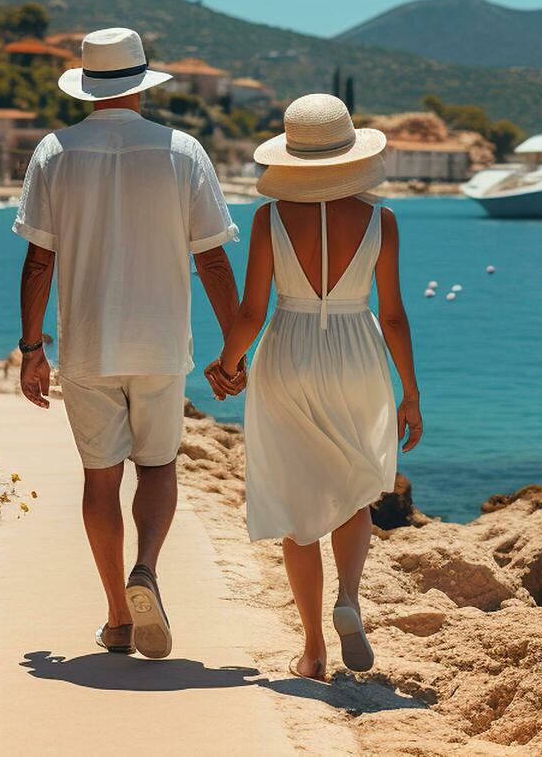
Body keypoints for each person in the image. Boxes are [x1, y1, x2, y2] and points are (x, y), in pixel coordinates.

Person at [15, 27, 242, 660]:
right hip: (161, 345)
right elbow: (214, 263)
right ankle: (146, 569)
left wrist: (32, 348)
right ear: (142, 83)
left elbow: (39, 262)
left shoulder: (54, 152)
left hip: (86, 348)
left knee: (99, 479)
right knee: (159, 465)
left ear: (88, 86)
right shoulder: (183, 151)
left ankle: (117, 615)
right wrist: (234, 350)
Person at [209, 93, 423, 682]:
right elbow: (397, 315)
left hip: (289, 351)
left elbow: (251, 311)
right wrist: (410, 393)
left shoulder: (269, 219)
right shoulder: (381, 220)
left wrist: (227, 363)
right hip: (357, 350)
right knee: (354, 486)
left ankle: (312, 650)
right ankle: (349, 598)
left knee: (298, 503)